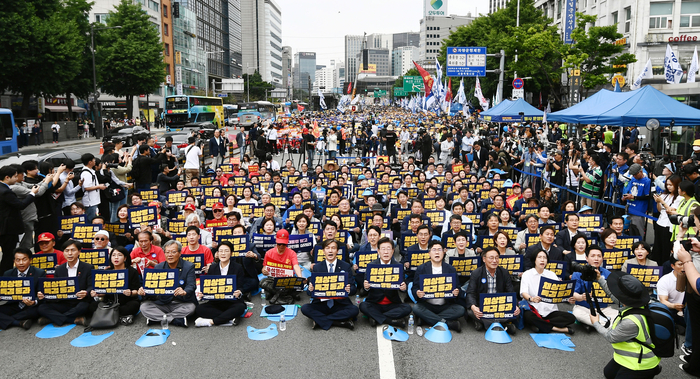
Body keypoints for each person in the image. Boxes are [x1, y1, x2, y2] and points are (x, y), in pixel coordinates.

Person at [589, 271, 662, 378]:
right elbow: (612, 295)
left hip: (640, 362)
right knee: (609, 373)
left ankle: (649, 371)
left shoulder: (631, 321)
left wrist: (595, 323)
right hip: (631, 356)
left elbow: (611, 336)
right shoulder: (641, 303)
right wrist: (599, 278)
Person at [301, 238, 359, 330]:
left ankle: (321, 320)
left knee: (354, 310)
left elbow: (353, 289)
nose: (330, 251)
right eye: (328, 248)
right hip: (321, 303)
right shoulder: (317, 268)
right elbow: (310, 293)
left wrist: (349, 289)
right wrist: (310, 289)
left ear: (337, 251)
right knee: (305, 308)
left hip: (340, 303)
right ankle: (340, 322)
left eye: (333, 248)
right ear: (323, 251)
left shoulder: (345, 266)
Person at [138, 240, 197, 327]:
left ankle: (157, 318)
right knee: (144, 307)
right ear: (164, 253)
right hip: (162, 302)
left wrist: (184, 291)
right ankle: (174, 319)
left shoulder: (189, 266)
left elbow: (191, 285)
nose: (170, 255)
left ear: (180, 253)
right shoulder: (158, 267)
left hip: (180, 302)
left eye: (173, 252)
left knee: (191, 308)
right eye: (167, 252)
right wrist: (143, 291)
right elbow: (151, 286)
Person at [37, 240, 93, 326]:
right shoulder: (59, 269)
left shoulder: (87, 267)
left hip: (80, 301)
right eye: (67, 251)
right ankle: (72, 319)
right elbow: (55, 288)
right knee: (42, 308)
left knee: (84, 307)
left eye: (73, 250)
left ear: (79, 252)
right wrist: (44, 293)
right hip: (64, 301)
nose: (70, 253)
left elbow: (91, 286)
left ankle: (52, 318)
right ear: (63, 253)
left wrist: (86, 292)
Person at [411, 240, 465, 331]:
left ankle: (427, 319)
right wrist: (417, 292)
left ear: (444, 252)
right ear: (429, 253)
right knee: (416, 308)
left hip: (445, 305)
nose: (437, 252)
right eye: (434, 250)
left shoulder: (450, 269)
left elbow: (458, 287)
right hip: (427, 304)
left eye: (439, 250)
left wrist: (457, 292)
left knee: (461, 309)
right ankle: (448, 323)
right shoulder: (421, 268)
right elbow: (414, 288)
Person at [358, 237, 411, 327]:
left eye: (388, 249)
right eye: (383, 249)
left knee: (408, 308)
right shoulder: (371, 266)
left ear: (393, 251)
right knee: (363, 306)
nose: (386, 252)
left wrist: (403, 288)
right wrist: (366, 287)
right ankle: (391, 321)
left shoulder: (398, 266)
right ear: (378, 251)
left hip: (392, 303)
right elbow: (366, 288)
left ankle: (376, 318)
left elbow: (402, 288)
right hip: (374, 302)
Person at [520, 249, 576, 334]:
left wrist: (567, 299)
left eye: (544, 258)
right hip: (534, 309)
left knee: (571, 317)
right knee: (527, 316)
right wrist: (532, 299)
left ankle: (540, 325)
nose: (542, 260)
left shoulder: (551, 274)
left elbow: (559, 293)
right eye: (539, 257)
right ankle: (557, 328)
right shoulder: (527, 274)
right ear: (534, 260)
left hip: (550, 310)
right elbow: (524, 293)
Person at [466, 246, 520, 333]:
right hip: (482, 306)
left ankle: (484, 323)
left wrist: (516, 305)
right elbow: (470, 293)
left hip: (499, 306)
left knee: (515, 312)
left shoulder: (504, 272)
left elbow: (511, 291)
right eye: (491, 258)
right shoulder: (476, 273)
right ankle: (503, 326)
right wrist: (474, 307)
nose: (494, 261)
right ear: (484, 259)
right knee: (470, 311)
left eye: (497, 258)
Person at [194, 241, 246, 327]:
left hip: (232, 301)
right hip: (216, 302)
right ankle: (229, 318)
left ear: (231, 253)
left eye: (226, 251)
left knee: (240, 307)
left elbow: (241, 286)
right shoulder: (212, 268)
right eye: (220, 251)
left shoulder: (238, 267)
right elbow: (208, 286)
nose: (223, 253)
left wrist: (239, 292)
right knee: (199, 309)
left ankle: (211, 322)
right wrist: (203, 293)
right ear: (217, 253)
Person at [569, 245, 619, 330]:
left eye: (599, 256)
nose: (596, 258)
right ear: (586, 258)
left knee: (622, 315)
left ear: (602, 259)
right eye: (593, 256)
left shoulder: (608, 274)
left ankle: (595, 323)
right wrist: (581, 297)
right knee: (577, 314)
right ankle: (606, 325)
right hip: (584, 308)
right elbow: (573, 294)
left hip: (604, 308)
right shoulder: (577, 273)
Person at [89, 247, 142, 325]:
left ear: (125, 258)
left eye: (119, 255)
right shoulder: (107, 271)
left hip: (126, 302)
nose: (116, 258)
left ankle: (108, 315)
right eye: (113, 255)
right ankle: (120, 317)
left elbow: (136, 291)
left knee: (134, 306)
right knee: (92, 306)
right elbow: (103, 292)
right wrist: (97, 293)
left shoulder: (132, 271)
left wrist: (130, 292)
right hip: (109, 303)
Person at [0, 248, 46, 330]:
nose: (21, 263)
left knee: (40, 310)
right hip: (15, 304)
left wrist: (33, 302)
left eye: (24, 259)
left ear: (30, 260)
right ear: (14, 261)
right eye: (18, 260)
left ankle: (7, 320)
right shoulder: (8, 273)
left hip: (31, 306)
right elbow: (4, 292)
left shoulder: (39, 273)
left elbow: (41, 294)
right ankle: (18, 322)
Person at [260, 229, 304, 304]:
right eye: (279, 244)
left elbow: (296, 266)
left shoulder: (292, 253)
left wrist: (300, 277)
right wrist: (264, 271)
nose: (281, 246)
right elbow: (264, 267)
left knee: (294, 284)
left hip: (287, 279)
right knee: (262, 283)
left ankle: (276, 295)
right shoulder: (269, 253)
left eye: (284, 244)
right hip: (273, 279)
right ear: (276, 242)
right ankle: (287, 296)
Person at [621, 164, 651, 237]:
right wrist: (625, 196)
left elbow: (648, 196)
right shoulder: (633, 179)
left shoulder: (647, 181)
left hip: (639, 209)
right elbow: (628, 190)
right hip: (629, 207)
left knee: (638, 230)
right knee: (627, 229)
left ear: (640, 172)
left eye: (635, 174)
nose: (634, 176)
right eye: (633, 175)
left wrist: (634, 197)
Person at [79, 153, 106, 222]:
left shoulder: (90, 171)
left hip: (94, 200)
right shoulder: (86, 173)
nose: (95, 161)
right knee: (92, 220)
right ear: (90, 162)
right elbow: (87, 187)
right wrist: (99, 186)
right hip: (90, 202)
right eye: (93, 159)